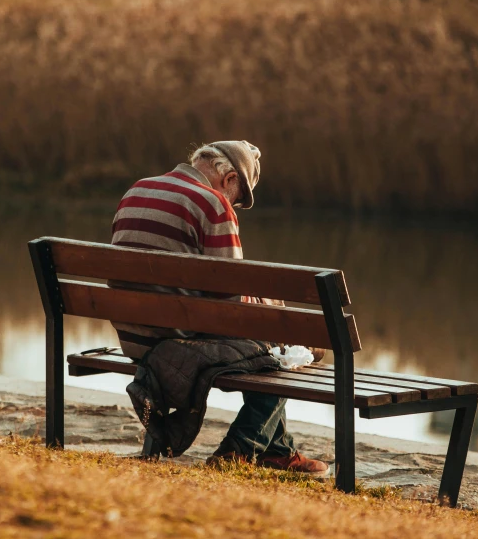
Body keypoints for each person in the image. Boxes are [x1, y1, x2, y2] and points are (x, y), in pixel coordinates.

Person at [111, 141, 330, 478]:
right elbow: (231, 309)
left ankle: (277, 450)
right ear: (228, 178)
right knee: (289, 348)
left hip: (134, 336)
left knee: (276, 344)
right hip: (177, 344)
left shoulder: (138, 189)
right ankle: (239, 448)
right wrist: (268, 306)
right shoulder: (212, 205)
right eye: (238, 198)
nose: (234, 206)